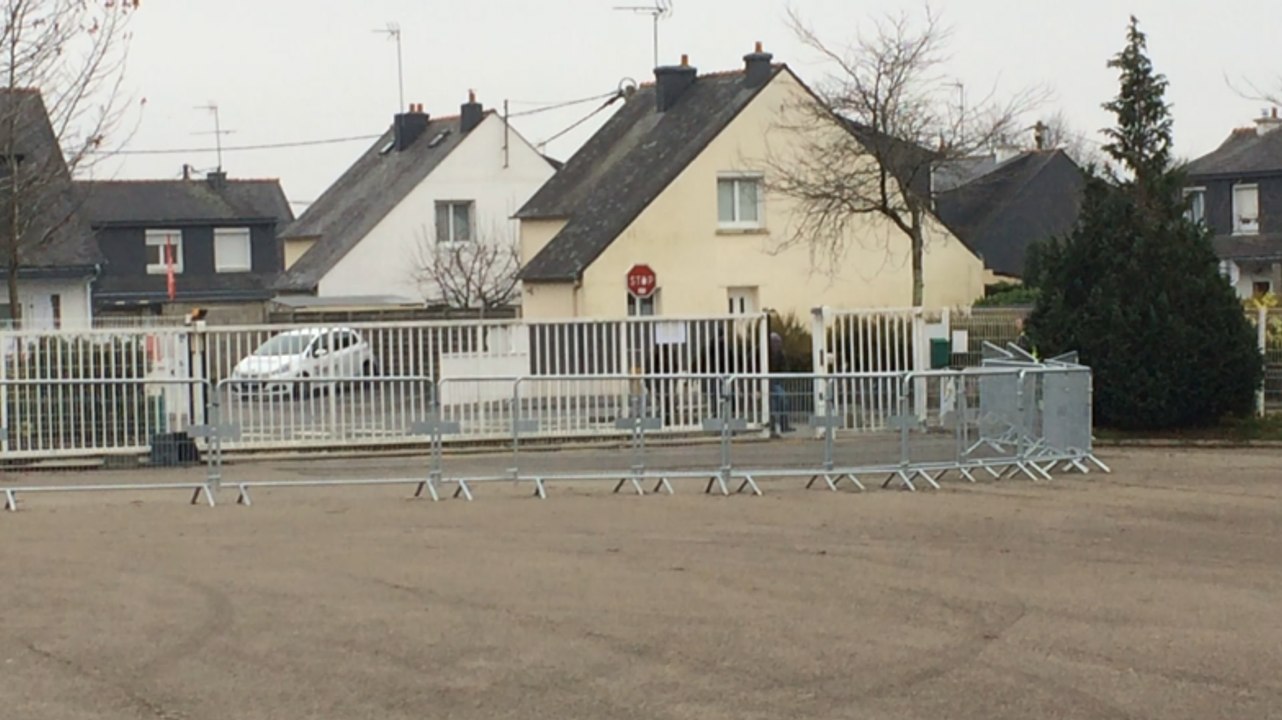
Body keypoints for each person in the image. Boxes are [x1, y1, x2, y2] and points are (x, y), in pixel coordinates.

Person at [768, 330, 794, 438]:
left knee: (782, 400)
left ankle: (782, 424)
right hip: (766, 381)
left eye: (778, 343)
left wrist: (783, 377)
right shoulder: (761, 351)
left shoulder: (780, 354)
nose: (777, 345)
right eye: (775, 342)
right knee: (776, 402)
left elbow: (785, 368)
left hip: (775, 381)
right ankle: (775, 425)